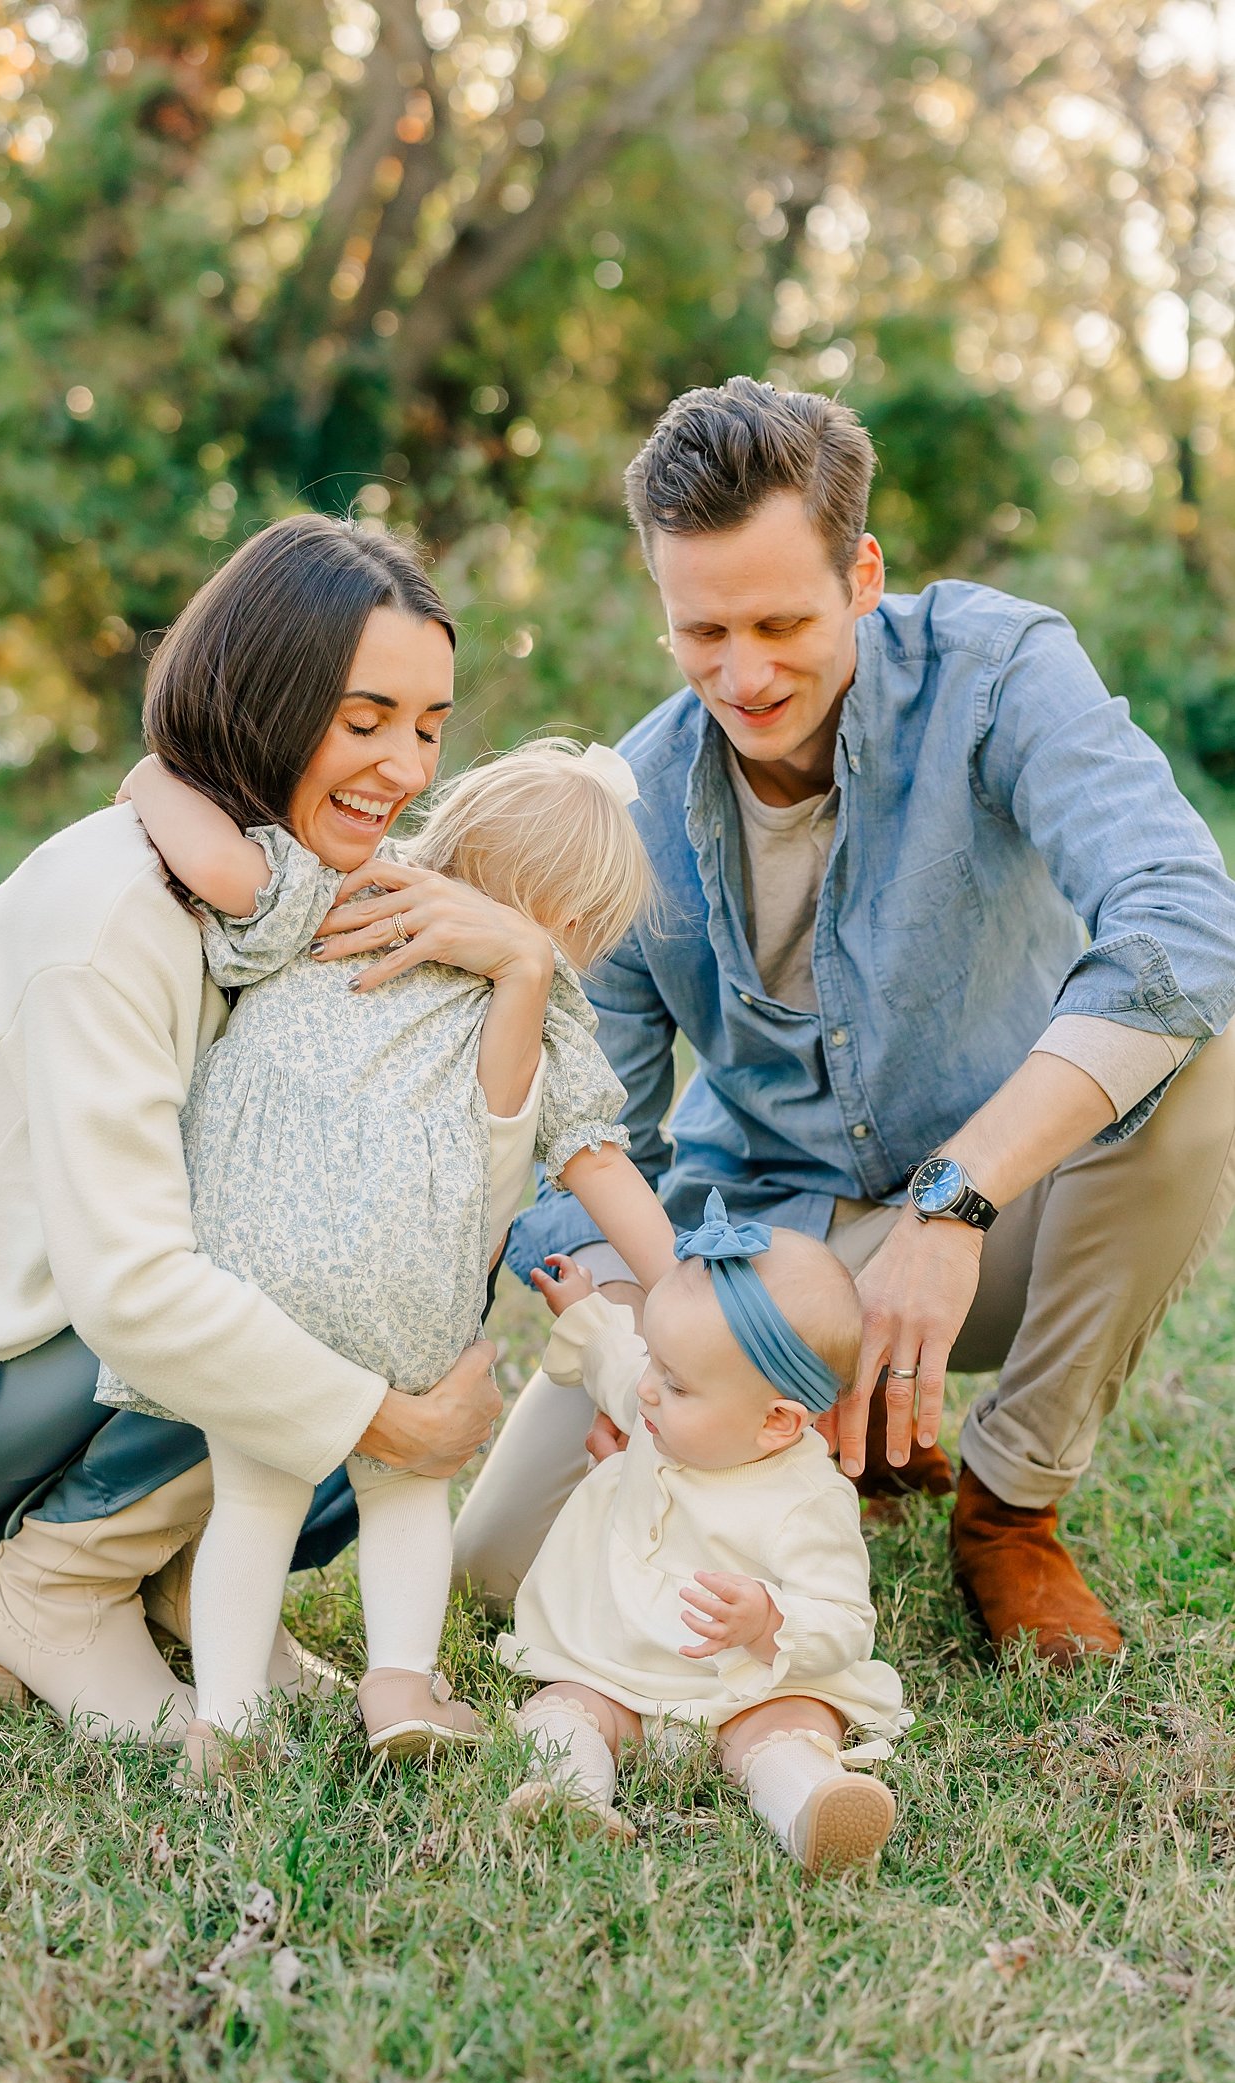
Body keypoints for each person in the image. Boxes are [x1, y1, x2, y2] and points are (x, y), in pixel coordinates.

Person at [455, 376, 1235, 1667]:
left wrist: (953, 1202)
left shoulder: (998, 672)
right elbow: (595, 1129)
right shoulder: (631, 802)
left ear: (862, 574)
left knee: (1205, 1046)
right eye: (702, 630)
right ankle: (826, 1431)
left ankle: (1008, 1505)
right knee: (504, 1569)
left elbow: (1187, 920)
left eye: (780, 620)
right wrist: (642, 1339)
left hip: (999, 1222)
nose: (742, 673)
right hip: (757, 1242)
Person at [0, 516, 555, 1740]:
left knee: (364, 1272)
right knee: (308, 1300)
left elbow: (434, 1192)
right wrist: (384, 1418)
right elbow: (137, 1290)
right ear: (261, 702)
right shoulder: (106, 919)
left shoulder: (300, 875)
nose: (408, 770)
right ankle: (58, 1592)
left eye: (427, 727)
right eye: (362, 722)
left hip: (80, 1298)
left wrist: (520, 961)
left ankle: (192, 1587)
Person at [100, 740, 676, 1775]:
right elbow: (593, 1159)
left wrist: (152, 779)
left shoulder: (344, 889)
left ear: (447, 835)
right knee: (408, 1482)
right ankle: (401, 1685)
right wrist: (682, 1289)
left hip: (247, 1241)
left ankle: (226, 1719)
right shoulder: (539, 1000)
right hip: (409, 1269)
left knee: (253, 1495)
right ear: (578, 926)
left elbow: (224, 871)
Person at [501, 1193, 906, 1872]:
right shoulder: (661, 1402)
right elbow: (617, 1362)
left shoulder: (807, 1500)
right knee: (564, 1704)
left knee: (793, 1726)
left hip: (742, 1694)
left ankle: (809, 1804)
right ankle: (572, 1795)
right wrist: (586, 1313)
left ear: (776, 1422)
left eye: (677, 1384)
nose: (649, 1391)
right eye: (656, 1362)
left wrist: (771, 1618)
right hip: (619, 1668)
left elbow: (845, 1619)